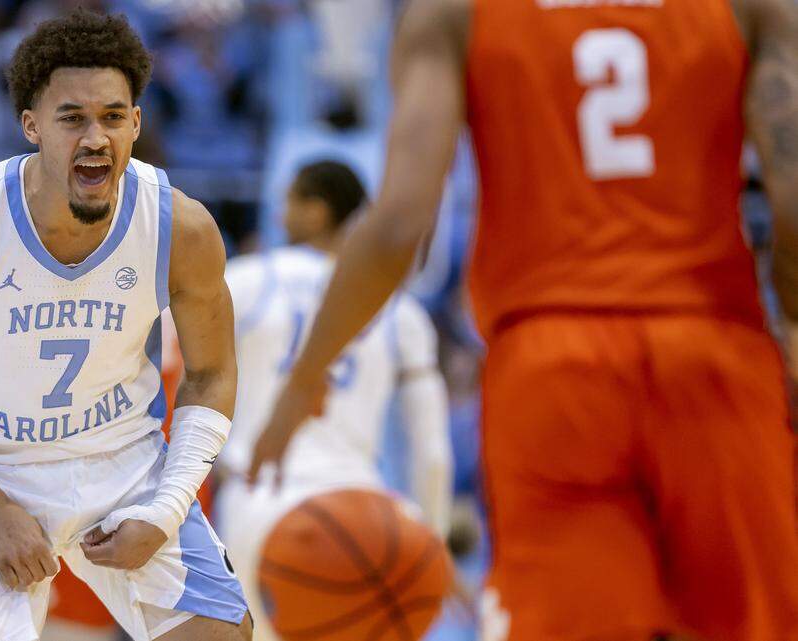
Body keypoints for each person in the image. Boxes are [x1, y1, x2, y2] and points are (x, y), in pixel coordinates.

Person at [249, 1, 798, 640]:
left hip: (550, 369)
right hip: (713, 351)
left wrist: (306, 377)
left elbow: (399, 225)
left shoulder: (452, 12)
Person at [0, 10, 251, 641]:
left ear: (137, 123)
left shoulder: (182, 228)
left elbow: (213, 370)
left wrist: (169, 508)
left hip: (124, 466)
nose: (96, 137)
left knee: (220, 634)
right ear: (31, 125)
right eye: (73, 118)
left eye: (114, 116)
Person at [216, 160, 452, 641]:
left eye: (290, 201)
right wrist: (434, 549)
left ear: (316, 210)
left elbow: (168, 375)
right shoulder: (399, 309)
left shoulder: (243, 280)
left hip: (259, 500)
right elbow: (432, 456)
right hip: (368, 513)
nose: (280, 213)